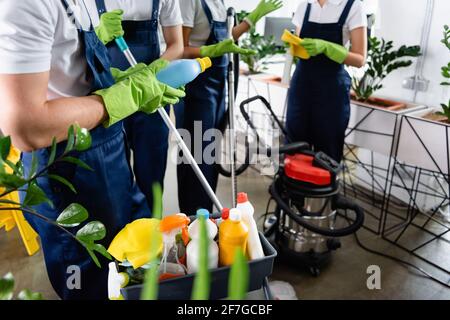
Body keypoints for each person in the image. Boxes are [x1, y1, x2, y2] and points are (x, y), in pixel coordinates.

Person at [0, 0, 184, 299]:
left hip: (107, 154)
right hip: (66, 169)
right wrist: (117, 99)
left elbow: (70, 76)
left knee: (125, 264)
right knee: (92, 283)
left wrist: (120, 81)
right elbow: (26, 127)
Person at [177, 0, 283, 214]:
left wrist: (252, 18)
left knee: (210, 154)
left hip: (218, 86)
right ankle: (193, 217)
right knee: (198, 155)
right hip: (197, 86)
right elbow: (181, 49)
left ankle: (206, 215)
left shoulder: (219, 2)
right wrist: (213, 49)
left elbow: (227, 38)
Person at [89, 0, 184, 211]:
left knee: (152, 176)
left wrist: (153, 72)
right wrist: (99, 33)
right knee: (113, 181)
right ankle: (123, 240)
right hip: (109, 98)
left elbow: (177, 44)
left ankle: (151, 236)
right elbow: (77, 46)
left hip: (149, 96)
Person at [286, 0, 367, 162]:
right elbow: (300, 45)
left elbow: (360, 59)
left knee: (328, 149)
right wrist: (294, 44)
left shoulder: (353, 6)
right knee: (295, 146)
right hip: (302, 85)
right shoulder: (305, 6)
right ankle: (292, 187)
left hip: (331, 90)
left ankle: (321, 186)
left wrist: (327, 47)